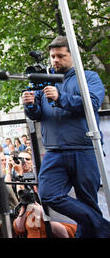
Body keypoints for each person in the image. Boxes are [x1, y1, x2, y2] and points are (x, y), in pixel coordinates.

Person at [22, 35, 110, 238]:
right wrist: (30, 105)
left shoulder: (88, 77)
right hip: (55, 150)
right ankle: (105, 229)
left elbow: (93, 103)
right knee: (48, 194)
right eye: (53, 56)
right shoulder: (43, 79)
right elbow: (37, 115)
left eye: (60, 56)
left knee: (88, 203)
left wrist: (61, 97)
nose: (55, 60)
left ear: (73, 55)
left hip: (85, 149)